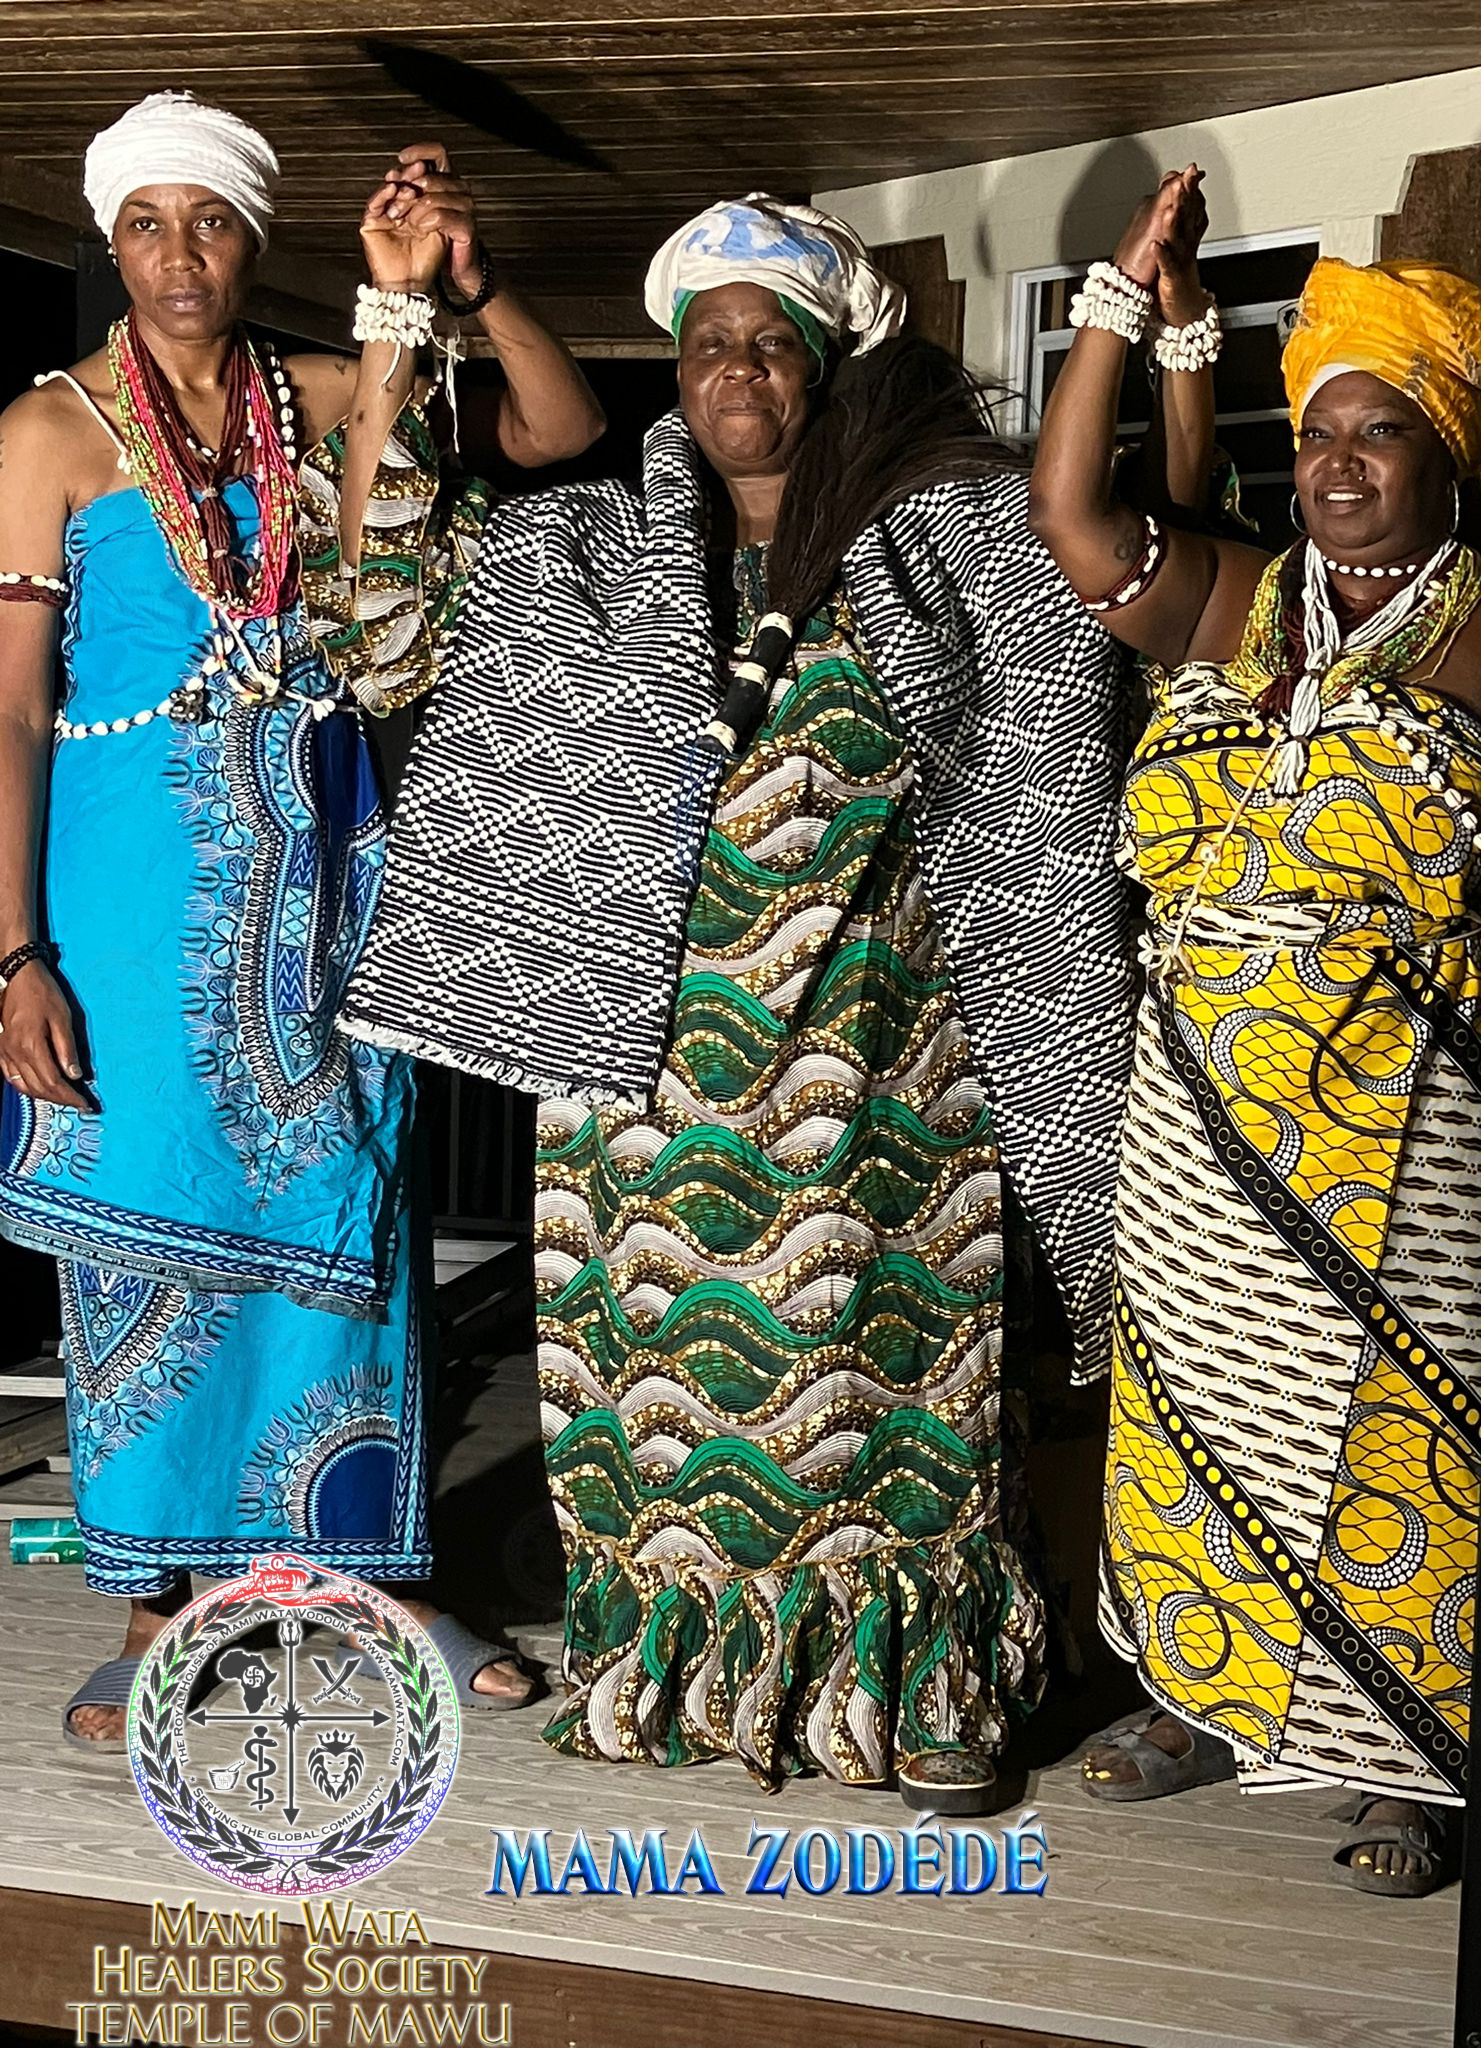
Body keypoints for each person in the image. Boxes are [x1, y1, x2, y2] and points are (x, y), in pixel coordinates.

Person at [340, 194, 1136, 1803]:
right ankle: (690, 1679)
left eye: (773, 341)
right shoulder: (598, 547)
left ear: (828, 364)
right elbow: (379, 612)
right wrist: (416, 318)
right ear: (676, 372)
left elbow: (1057, 734)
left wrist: (1132, 334)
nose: (739, 372)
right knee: (662, 1418)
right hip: (637, 1091)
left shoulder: (946, 534)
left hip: (878, 1074)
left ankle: (928, 1705)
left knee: (894, 1399)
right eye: (709, 345)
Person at [0, 91, 604, 1754]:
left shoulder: (342, 388)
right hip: (125, 900)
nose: (178, 259)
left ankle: (374, 1570)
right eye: (144, 226)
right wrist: (12, 954)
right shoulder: (45, 433)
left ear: (256, 239)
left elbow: (554, 434)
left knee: (353, 1213)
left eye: (209, 224)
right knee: (144, 1240)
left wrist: (460, 288)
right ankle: (156, 1595)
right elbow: (6, 710)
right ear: (107, 242)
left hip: (333, 876)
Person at [1027, 166, 1481, 1894]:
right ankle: (1197, 1698)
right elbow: (1074, 522)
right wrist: (1120, 298)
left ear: (1445, 461)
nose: (1336, 464)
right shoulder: (1239, 604)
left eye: (1379, 433)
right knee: (1193, 1421)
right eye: (1318, 431)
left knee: (1407, 1429)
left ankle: (1418, 1762)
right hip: (1199, 1107)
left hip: (1415, 1117)